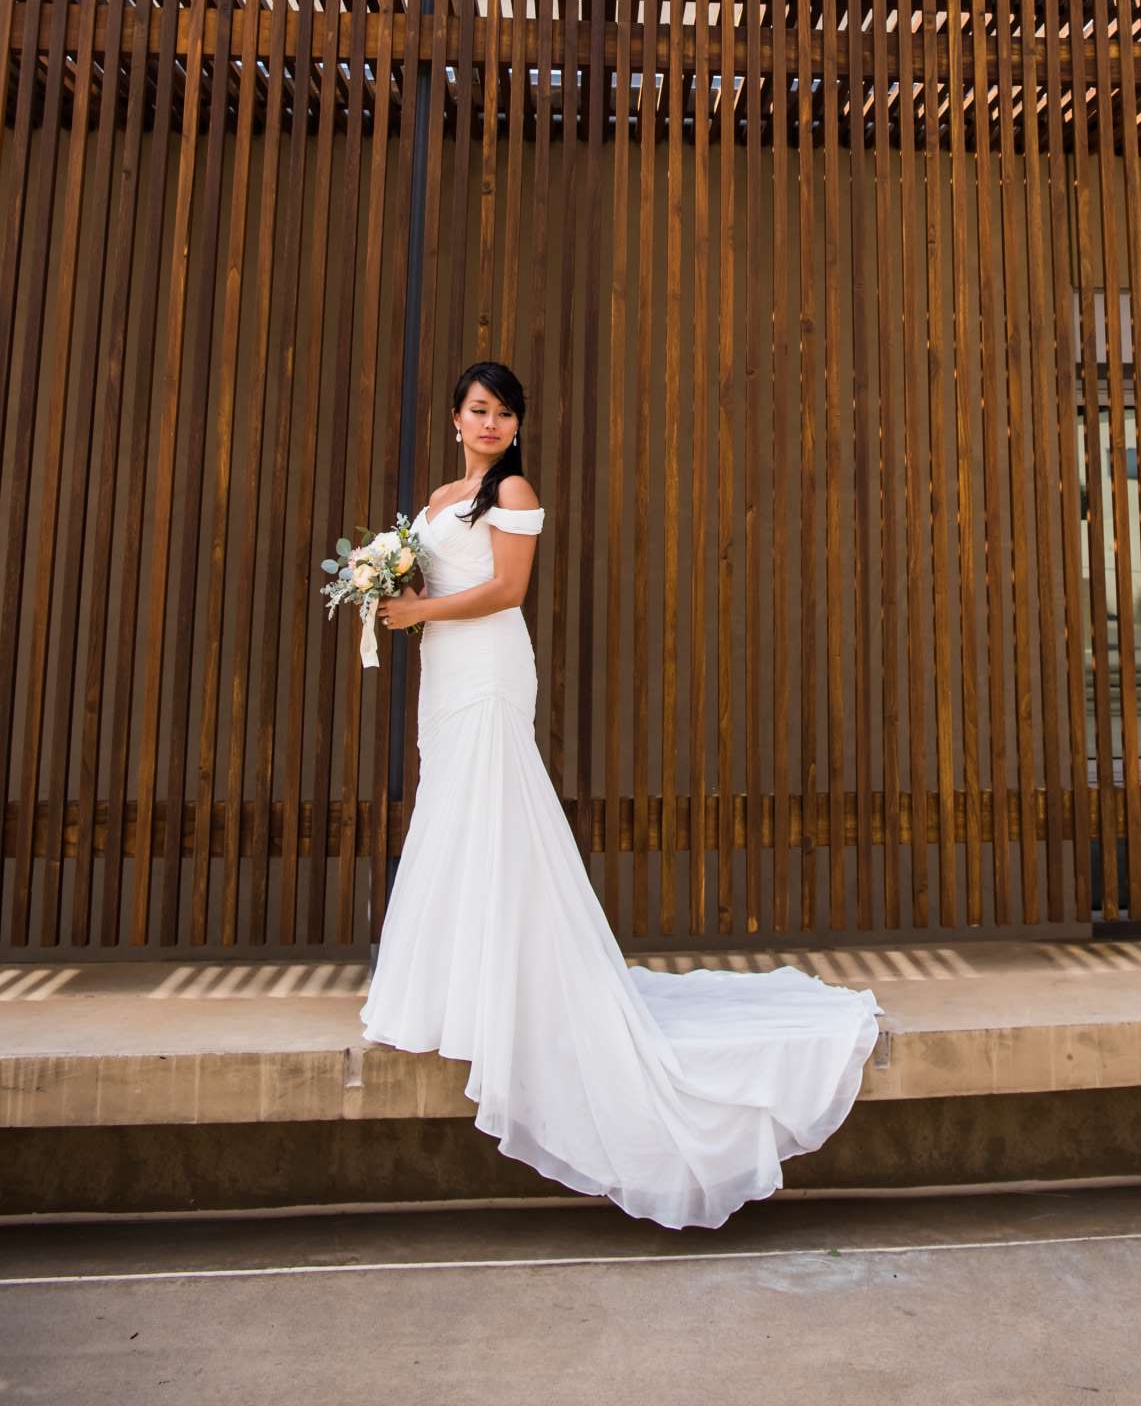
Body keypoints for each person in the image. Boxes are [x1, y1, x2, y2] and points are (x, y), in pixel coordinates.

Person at [360, 358, 882, 1229]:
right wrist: (397, 587)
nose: (489, 425)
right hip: (446, 677)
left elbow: (506, 591)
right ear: (454, 418)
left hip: (487, 669)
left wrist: (419, 615)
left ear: (518, 427)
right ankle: (451, 985)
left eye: (503, 414)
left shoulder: (515, 489)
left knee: (493, 816)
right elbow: (444, 579)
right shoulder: (446, 492)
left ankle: (502, 987)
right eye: (477, 411)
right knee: (453, 814)